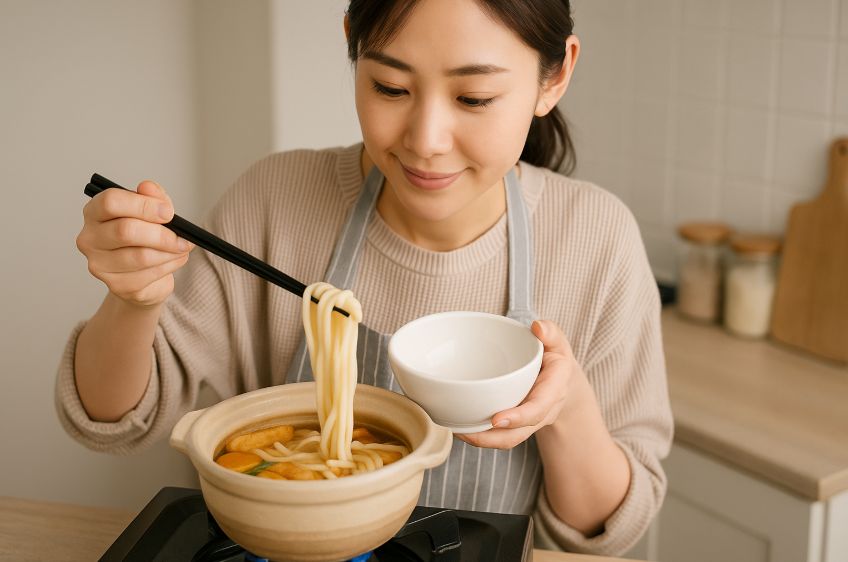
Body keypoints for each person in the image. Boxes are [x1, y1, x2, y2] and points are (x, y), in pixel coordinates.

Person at [57, 0, 673, 555]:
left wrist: (565, 407)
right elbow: (111, 420)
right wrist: (133, 302)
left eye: (474, 99)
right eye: (390, 86)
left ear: (554, 75)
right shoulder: (272, 199)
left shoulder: (597, 238)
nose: (426, 141)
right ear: (351, 43)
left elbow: (606, 529)